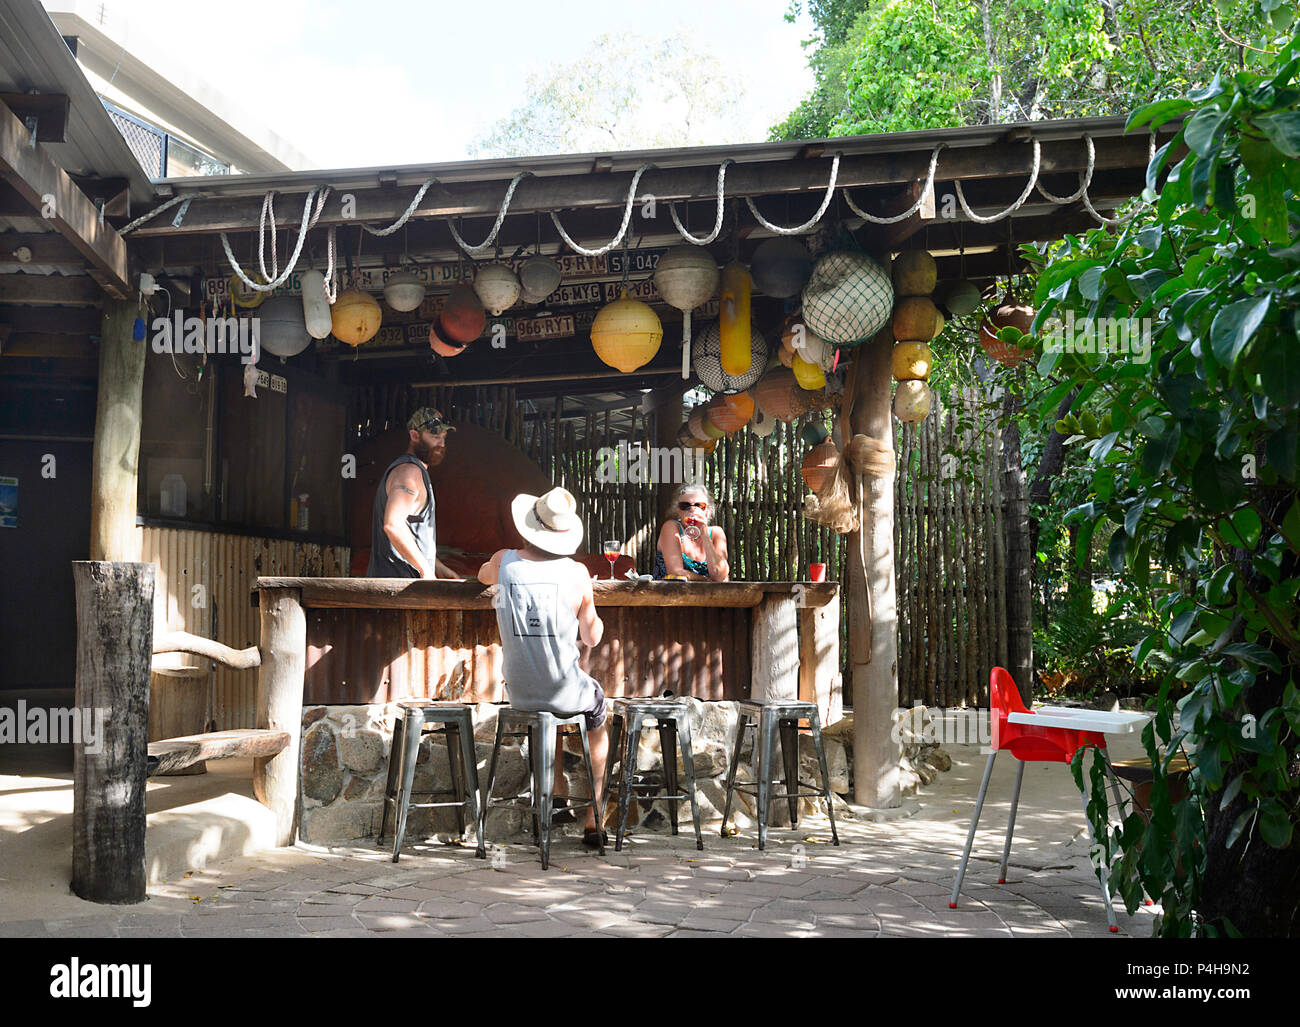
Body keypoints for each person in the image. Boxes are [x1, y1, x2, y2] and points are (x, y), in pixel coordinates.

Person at [478, 486, 609, 848]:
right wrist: (590, 605)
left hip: (518, 692)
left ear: (529, 525)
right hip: (563, 691)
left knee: (546, 707)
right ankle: (594, 814)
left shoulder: (503, 560)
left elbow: (482, 576)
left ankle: (555, 789)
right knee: (598, 709)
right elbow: (592, 636)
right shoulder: (578, 573)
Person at [367, 407, 458, 579]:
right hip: (399, 589)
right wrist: (426, 570)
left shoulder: (414, 471)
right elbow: (393, 525)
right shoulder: (409, 472)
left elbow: (411, 534)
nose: (442, 444)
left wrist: (439, 568)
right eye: (435, 437)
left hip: (402, 588)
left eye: (443, 438)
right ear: (415, 436)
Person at [653, 482, 730, 581]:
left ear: (708, 511)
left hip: (709, 595)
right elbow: (676, 571)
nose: (692, 510)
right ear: (678, 510)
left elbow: (719, 575)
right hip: (669, 594)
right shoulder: (671, 527)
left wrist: (705, 536)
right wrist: (707, 580)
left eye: (699, 505)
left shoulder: (716, 533)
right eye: (685, 506)